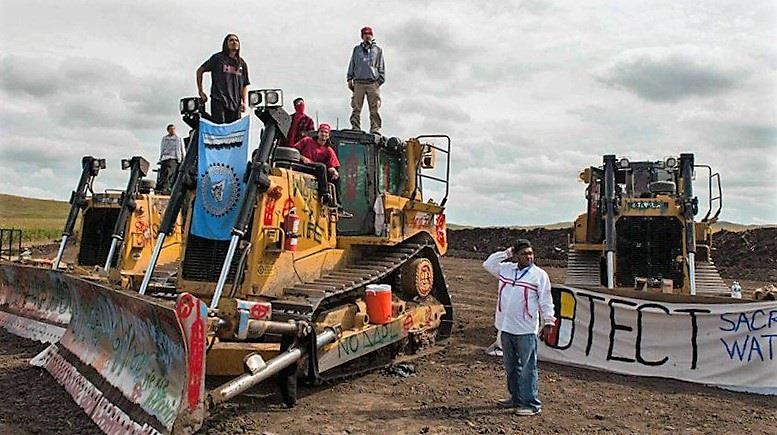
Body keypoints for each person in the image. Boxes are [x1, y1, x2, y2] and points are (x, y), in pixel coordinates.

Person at [483, 239, 555, 416]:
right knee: (511, 366)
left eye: (531, 253)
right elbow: (488, 263)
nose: (529, 257)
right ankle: (515, 398)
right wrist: (506, 253)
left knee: (528, 368)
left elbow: (546, 300)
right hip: (506, 327)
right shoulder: (506, 270)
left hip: (526, 329)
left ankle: (531, 404)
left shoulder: (539, 275)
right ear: (515, 256)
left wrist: (549, 321)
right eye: (524, 254)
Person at [196, 34, 250, 124]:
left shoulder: (242, 63)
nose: (234, 42)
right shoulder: (218, 58)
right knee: (220, 128)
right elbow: (200, 71)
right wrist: (200, 91)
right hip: (219, 99)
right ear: (226, 43)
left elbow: (245, 84)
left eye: (236, 40)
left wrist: (244, 102)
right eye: (231, 40)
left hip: (235, 103)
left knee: (233, 132)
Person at [347, 26, 385, 134]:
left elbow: (381, 66)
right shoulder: (357, 49)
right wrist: (349, 78)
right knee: (356, 107)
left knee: (374, 108)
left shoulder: (378, 50)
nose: (367, 36)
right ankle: (355, 127)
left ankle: (375, 128)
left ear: (372, 36)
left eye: (369, 34)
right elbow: (352, 64)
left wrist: (379, 80)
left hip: (373, 82)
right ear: (362, 36)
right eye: (365, 34)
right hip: (359, 82)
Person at [156, 124, 185, 194]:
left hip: (174, 158)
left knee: (170, 173)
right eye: (171, 129)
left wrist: (183, 158)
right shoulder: (164, 138)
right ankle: (163, 188)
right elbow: (162, 148)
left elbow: (181, 148)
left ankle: (167, 188)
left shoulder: (178, 138)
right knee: (163, 174)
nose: (173, 130)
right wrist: (160, 158)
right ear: (168, 130)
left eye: (174, 129)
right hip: (165, 158)